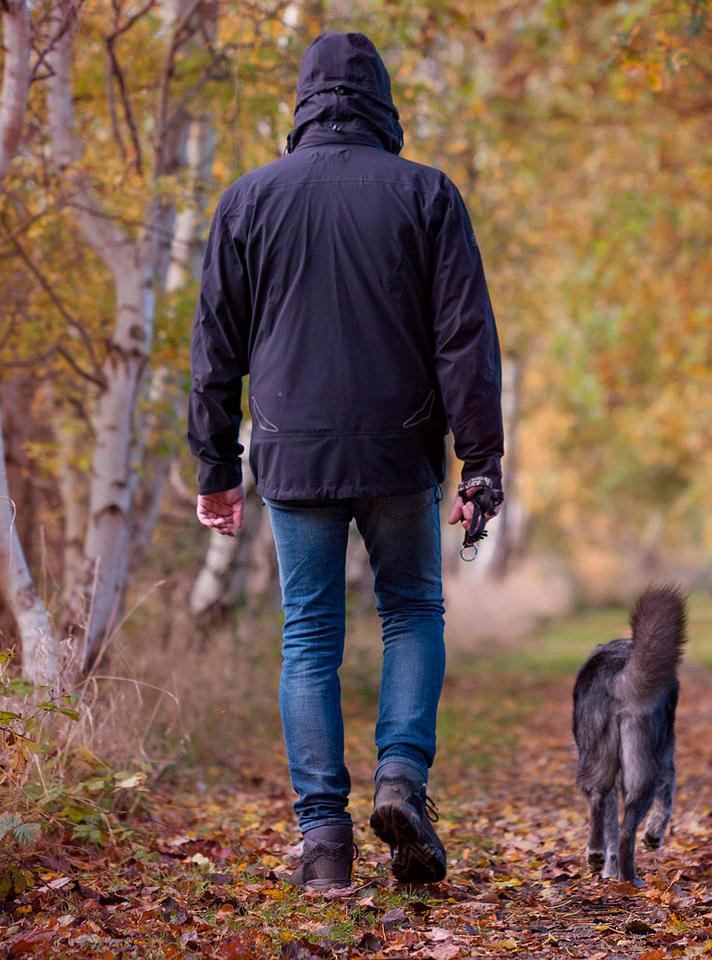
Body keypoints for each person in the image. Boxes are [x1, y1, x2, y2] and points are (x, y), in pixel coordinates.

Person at [185, 31, 504, 891]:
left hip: (292, 453)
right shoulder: (427, 195)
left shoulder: (248, 201)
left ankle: (324, 842)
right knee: (411, 613)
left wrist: (216, 464)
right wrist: (481, 461)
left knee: (309, 638)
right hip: (401, 448)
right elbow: (464, 339)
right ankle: (401, 777)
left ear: (302, 101)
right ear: (383, 102)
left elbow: (215, 347)